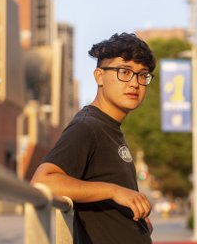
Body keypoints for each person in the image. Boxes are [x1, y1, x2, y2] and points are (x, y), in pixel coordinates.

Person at [31, 32, 156, 244]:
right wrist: (114, 191)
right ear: (99, 76)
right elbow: (43, 181)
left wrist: (136, 223)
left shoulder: (110, 128)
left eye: (142, 75)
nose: (135, 83)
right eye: (124, 72)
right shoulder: (87, 127)